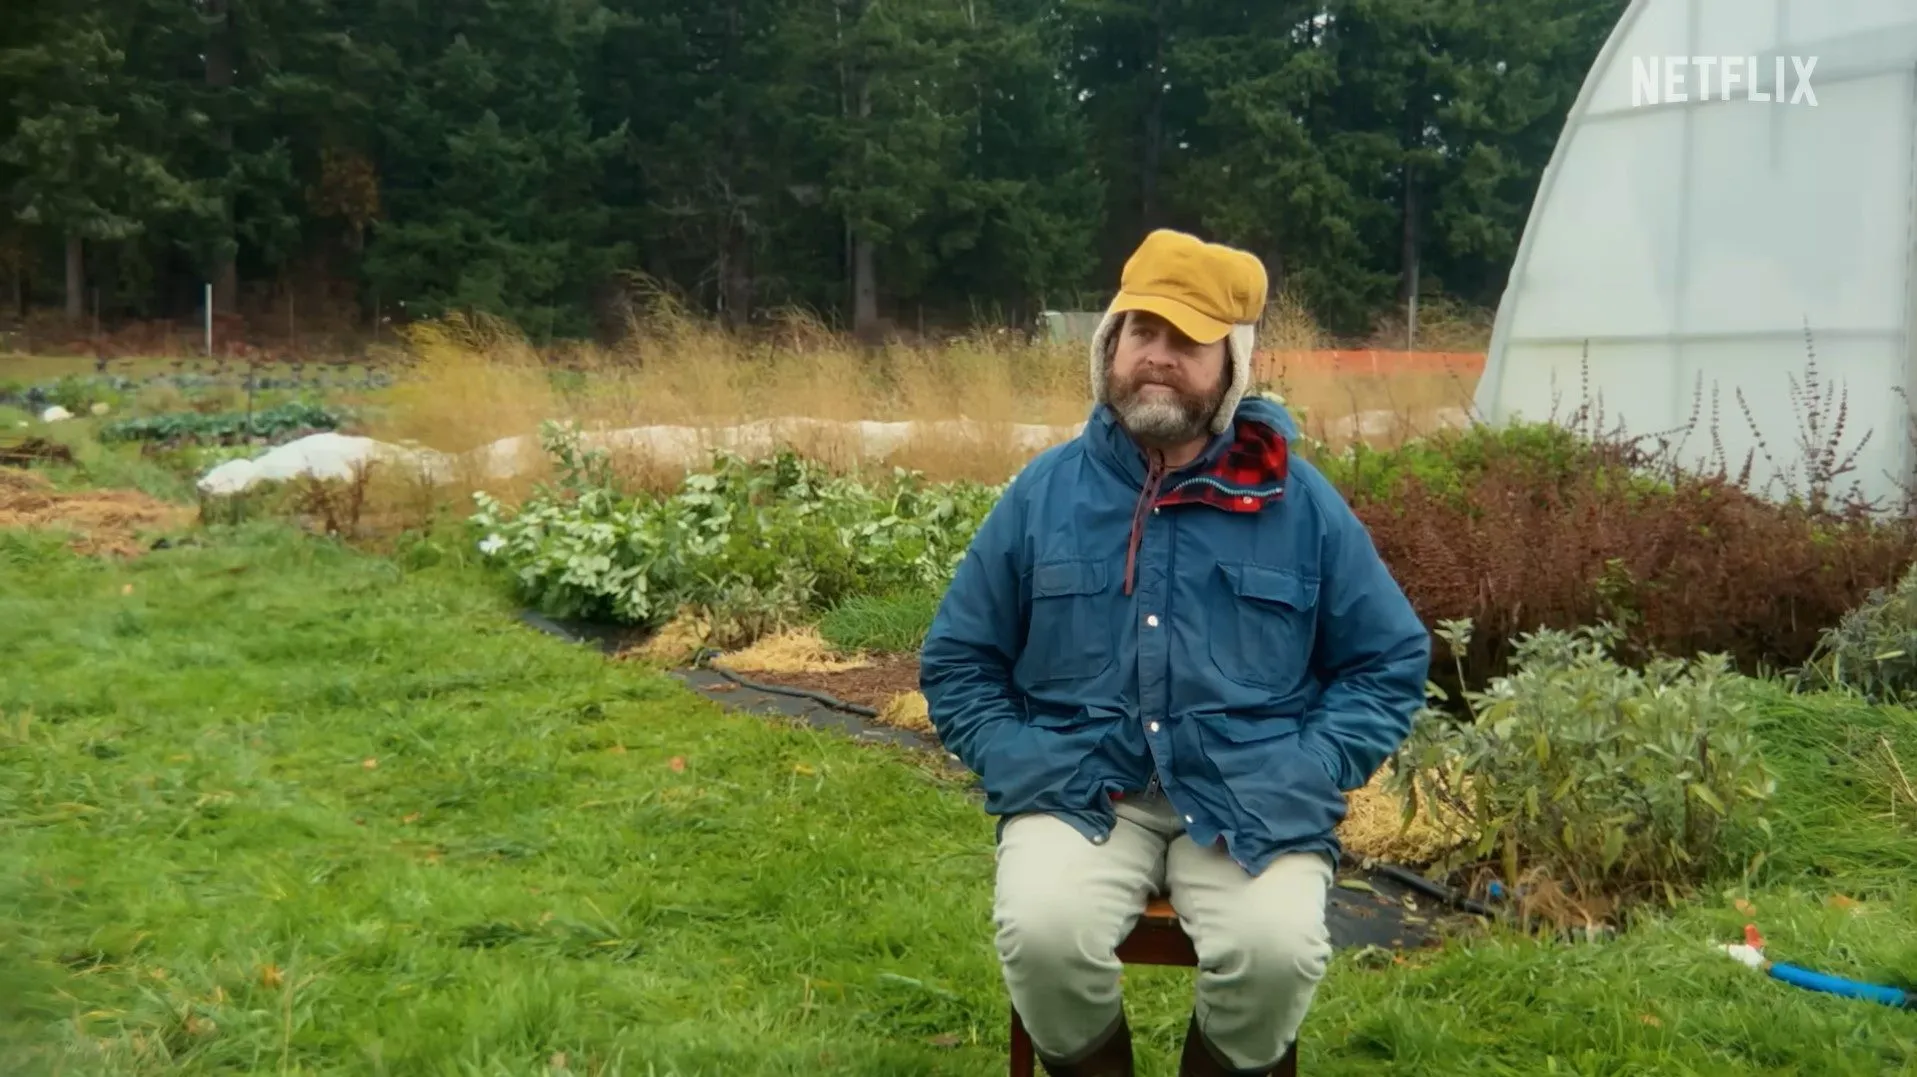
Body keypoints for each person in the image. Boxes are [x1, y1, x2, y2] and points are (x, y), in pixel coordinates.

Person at [919, 229, 1431, 1077]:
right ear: (1108, 347)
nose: (1157, 356)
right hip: (1079, 786)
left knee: (1275, 951)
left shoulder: (1298, 503)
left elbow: (1387, 658)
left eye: (1186, 340)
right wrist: (1016, 757)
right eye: (1141, 331)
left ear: (1231, 365)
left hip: (1252, 793)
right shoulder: (1044, 493)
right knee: (1042, 933)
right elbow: (958, 658)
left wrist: (1311, 765)